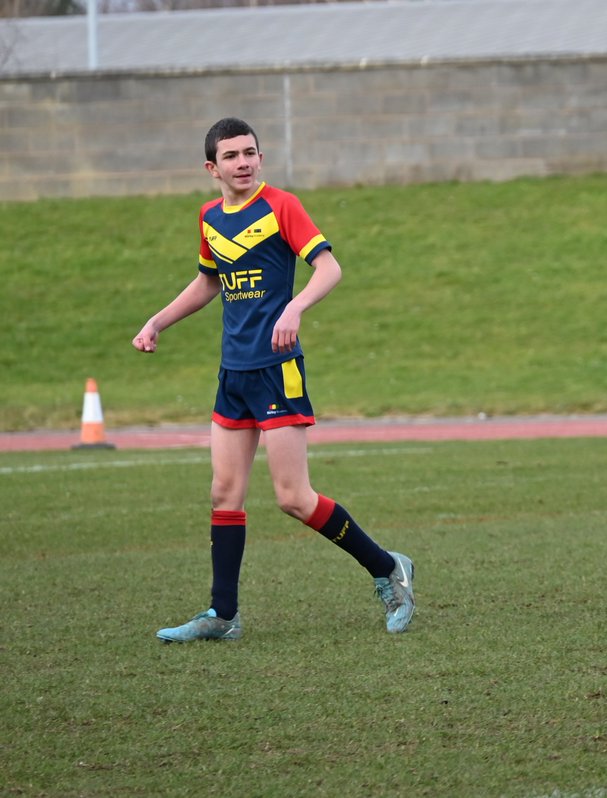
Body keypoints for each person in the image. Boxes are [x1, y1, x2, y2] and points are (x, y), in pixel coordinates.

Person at [133, 117, 414, 642]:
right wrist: (156, 321)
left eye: (250, 153)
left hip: (276, 371)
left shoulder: (281, 206)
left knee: (293, 498)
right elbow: (208, 282)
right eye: (232, 155)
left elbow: (329, 268)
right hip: (233, 374)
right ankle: (222, 615)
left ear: (260, 158)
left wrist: (295, 307)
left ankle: (388, 569)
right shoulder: (209, 217)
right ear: (212, 168)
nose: (243, 163)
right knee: (224, 494)